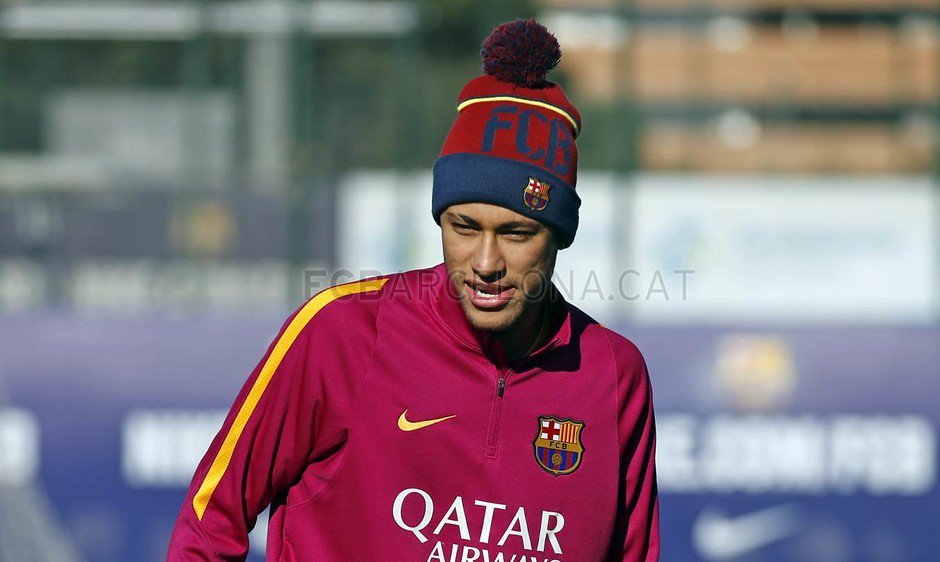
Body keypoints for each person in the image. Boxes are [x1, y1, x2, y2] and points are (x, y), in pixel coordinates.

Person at [167, 19, 660, 561]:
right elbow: (209, 521)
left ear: (560, 234)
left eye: (516, 233)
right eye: (464, 227)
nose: (486, 263)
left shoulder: (614, 376)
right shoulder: (343, 332)